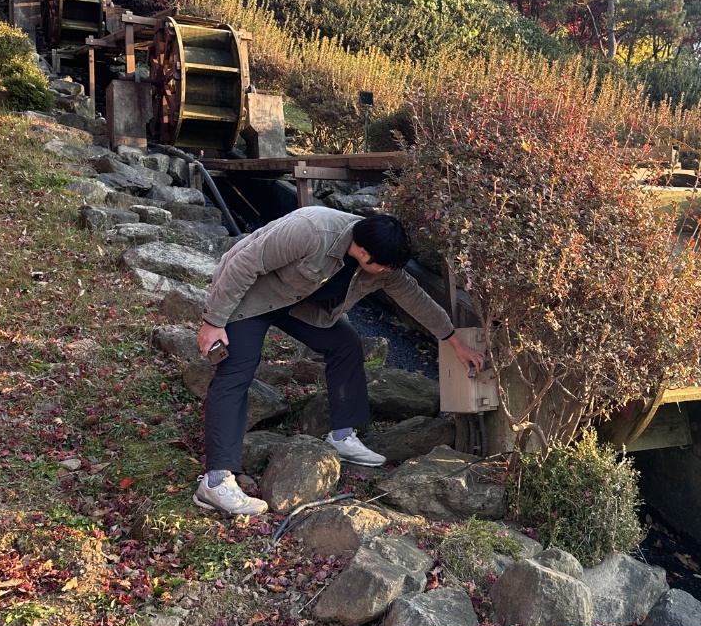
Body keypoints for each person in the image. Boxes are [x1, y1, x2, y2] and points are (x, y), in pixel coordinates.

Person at [192, 207, 485, 516]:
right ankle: (216, 481)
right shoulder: (312, 230)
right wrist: (214, 320)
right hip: (249, 297)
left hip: (298, 306)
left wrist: (454, 342)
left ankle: (342, 435)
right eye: (384, 267)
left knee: (345, 343)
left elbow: (416, 298)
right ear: (362, 251)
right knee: (237, 371)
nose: (388, 273)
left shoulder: (380, 258)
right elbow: (243, 263)